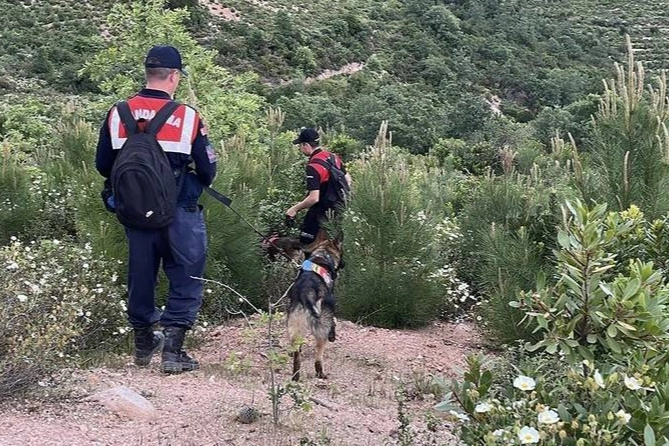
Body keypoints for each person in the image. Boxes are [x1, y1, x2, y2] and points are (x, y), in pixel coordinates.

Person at [95, 45, 217, 374]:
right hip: (179, 211)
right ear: (174, 76)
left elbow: (103, 165)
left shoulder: (118, 113)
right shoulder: (188, 116)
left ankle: (143, 342)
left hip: (136, 212)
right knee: (187, 273)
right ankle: (174, 351)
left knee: (141, 275)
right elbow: (208, 171)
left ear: (148, 74)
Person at [286, 128, 351, 249]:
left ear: (306, 145)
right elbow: (347, 179)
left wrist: (293, 210)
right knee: (333, 247)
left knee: (307, 243)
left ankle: (307, 267)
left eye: (300, 145)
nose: (300, 148)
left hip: (322, 211)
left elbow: (314, 198)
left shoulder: (313, 166)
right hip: (340, 209)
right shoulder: (332, 157)